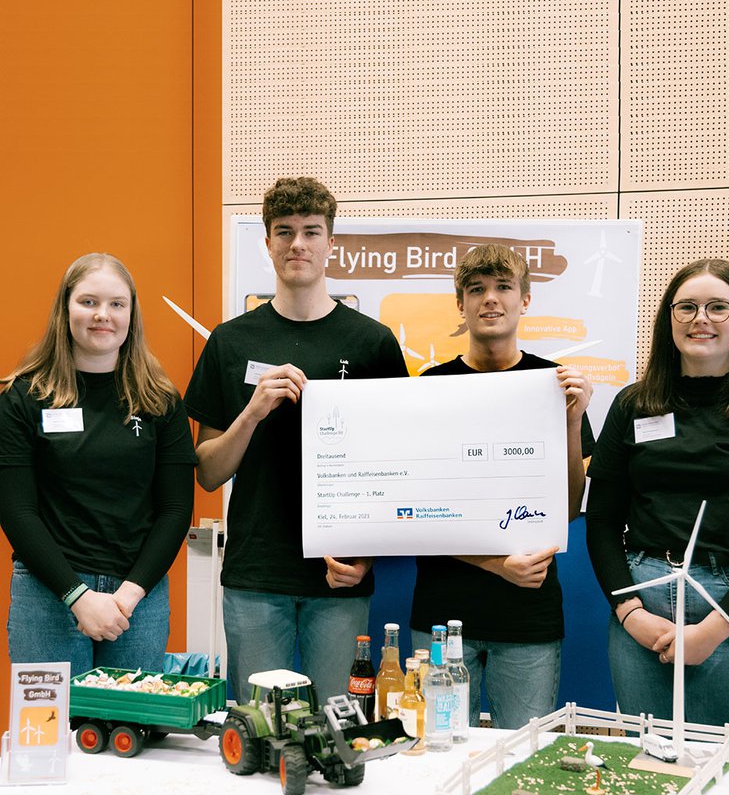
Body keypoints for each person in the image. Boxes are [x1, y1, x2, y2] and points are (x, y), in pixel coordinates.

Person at [184, 177, 408, 704]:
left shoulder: (372, 342)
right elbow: (209, 471)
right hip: (256, 571)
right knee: (260, 728)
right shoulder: (230, 341)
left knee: (338, 729)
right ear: (267, 243)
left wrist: (368, 557)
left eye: (311, 232)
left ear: (332, 242)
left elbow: (399, 469)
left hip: (339, 575)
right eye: (284, 232)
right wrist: (253, 411)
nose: (297, 244)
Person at [585, 259, 729, 751]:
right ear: (669, 320)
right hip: (643, 606)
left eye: (718, 306)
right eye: (686, 307)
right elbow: (600, 522)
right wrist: (629, 612)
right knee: (650, 765)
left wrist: (713, 630)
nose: (701, 318)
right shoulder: (633, 404)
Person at [409, 243, 595, 728]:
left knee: (522, 758)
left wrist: (572, 422)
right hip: (441, 616)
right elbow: (411, 511)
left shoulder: (555, 384)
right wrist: (496, 564)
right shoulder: (429, 387)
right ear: (461, 305)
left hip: (527, 619)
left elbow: (571, 507)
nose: (490, 299)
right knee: (437, 760)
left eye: (503, 287)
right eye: (476, 289)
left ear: (525, 300)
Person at [0, 253, 196, 675]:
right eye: (88, 302)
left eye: (116, 304)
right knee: (49, 736)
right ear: (65, 309)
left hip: (137, 602)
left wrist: (125, 598)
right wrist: (78, 596)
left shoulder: (161, 400)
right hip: (48, 595)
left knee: (129, 735)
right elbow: (16, 510)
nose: (102, 315)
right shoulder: (22, 396)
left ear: (131, 314)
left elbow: (176, 509)